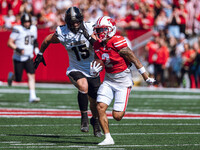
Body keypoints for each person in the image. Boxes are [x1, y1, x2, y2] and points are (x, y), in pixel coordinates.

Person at [33, 7, 102, 137]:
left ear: (81, 20)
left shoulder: (89, 28)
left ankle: (95, 121)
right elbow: (48, 39)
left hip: (92, 69)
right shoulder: (63, 32)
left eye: (77, 21)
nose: (75, 24)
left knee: (95, 102)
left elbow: (99, 46)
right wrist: (40, 53)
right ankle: (84, 118)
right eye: (72, 22)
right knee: (83, 86)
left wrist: (88, 36)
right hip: (75, 68)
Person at [90, 16, 156, 145]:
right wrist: (93, 70)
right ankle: (108, 138)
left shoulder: (118, 41)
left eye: (103, 29)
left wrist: (146, 77)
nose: (99, 32)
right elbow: (97, 61)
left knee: (117, 116)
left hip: (123, 81)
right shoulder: (97, 44)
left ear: (111, 29)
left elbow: (134, 58)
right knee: (100, 106)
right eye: (98, 30)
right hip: (109, 79)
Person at [7, 12, 40, 103]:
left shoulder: (33, 28)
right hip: (18, 58)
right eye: (25, 22)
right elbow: (9, 43)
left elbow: (35, 41)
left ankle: (32, 96)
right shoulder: (18, 29)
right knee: (18, 79)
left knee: (31, 75)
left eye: (28, 22)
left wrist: (37, 51)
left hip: (29, 56)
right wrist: (18, 49)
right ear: (22, 22)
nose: (27, 24)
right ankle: (11, 76)